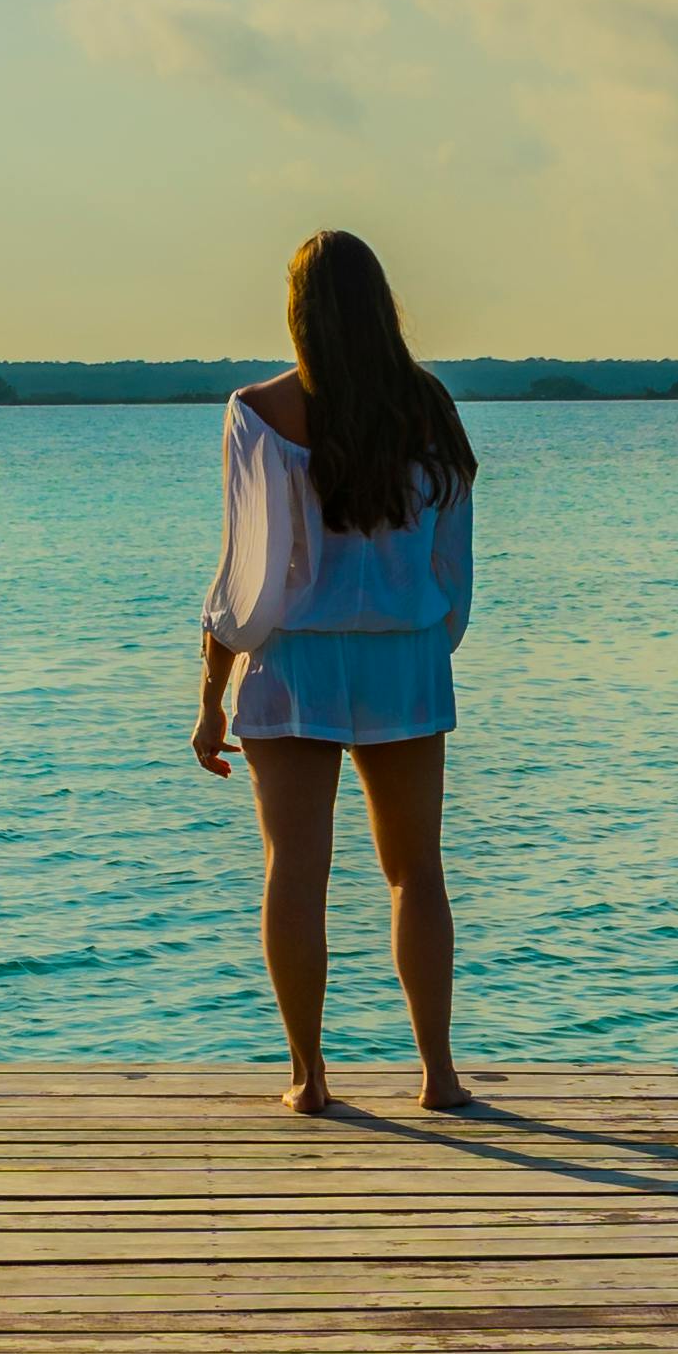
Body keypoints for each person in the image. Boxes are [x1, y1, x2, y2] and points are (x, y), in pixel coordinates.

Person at [193, 229, 481, 1117]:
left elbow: (248, 574)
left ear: (298, 310)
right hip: (405, 661)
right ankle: (437, 1076)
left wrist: (211, 693)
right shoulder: (430, 409)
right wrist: (428, 644)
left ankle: (310, 1078)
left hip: (295, 661)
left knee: (294, 868)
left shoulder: (260, 412)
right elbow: (453, 568)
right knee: (416, 872)